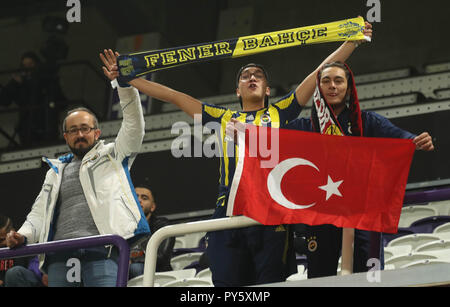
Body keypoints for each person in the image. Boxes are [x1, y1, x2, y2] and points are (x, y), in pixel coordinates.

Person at [106, 20, 373, 286]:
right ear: (238, 90)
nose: (252, 78)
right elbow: (175, 96)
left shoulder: (281, 112)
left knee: (269, 284)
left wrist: (351, 42)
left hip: (271, 211)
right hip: (228, 212)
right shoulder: (221, 117)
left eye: (258, 75)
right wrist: (127, 78)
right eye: (246, 76)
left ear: (267, 90)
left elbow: (318, 74)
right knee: (227, 284)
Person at [4, 49, 150, 287]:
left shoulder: (114, 154)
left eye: (85, 128)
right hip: (60, 254)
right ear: (65, 137)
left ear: (97, 133)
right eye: (73, 130)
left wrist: (123, 84)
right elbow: (39, 214)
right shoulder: (55, 170)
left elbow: (134, 125)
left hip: (103, 249)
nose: (80, 134)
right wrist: (23, 235)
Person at [285, 61, 434, 278]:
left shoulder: (367, 122)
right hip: (321, 214)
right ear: (318, 89)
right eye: (326, 81)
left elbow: (401, 138)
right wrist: (244, 134)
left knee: (370, 278)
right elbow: (270, 138)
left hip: (365, 213)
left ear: (348, 87)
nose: (332, 86)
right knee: (319, 279)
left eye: (338, 80)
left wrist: (416, 141)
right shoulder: (303, 128)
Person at [0, 51, 66, 147]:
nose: (28, 68)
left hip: (46, 124)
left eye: (31, 64)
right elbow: (4, 101)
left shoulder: (46, 81)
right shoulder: (20, 83)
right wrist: (14, 84)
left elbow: (62, 102)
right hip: (27, 128)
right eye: (25, 65)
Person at [128, 184, 175, 279]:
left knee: (135, 268)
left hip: (157, 275)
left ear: (152, 207)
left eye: (144, 198)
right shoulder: (120, 227)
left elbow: (161, 257)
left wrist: (132, 260)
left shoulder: (162, 225)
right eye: (135, 196)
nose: (139, 200)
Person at [0, 215, 39, 287]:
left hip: (27, 281)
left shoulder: (26, 243)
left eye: (1, 240)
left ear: (12, 232)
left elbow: (34, 272)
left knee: (14, 273)